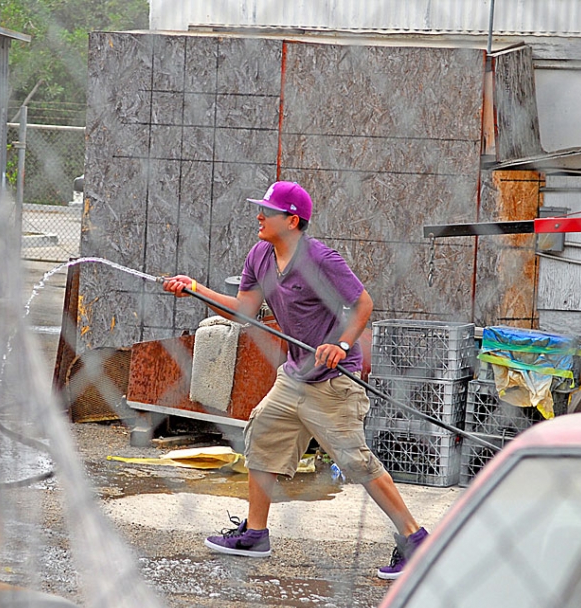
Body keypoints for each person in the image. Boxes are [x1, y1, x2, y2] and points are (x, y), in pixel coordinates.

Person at [162, 181, 428, 580]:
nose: (259, 216)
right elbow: (245, 310)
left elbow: (363, 304)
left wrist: (340, 343)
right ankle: (255, 535)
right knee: (262, 436)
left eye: (267, 212)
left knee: (355, 462)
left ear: (291, 220)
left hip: (333, 379)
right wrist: (196, 289)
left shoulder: (320, 259)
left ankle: (416, 539)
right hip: (294, 376)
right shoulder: (260, 256)